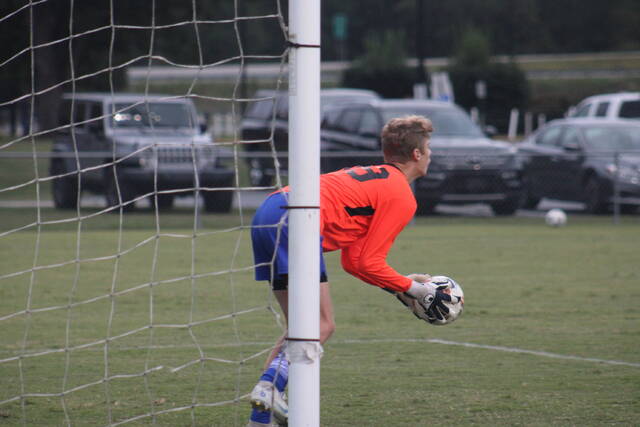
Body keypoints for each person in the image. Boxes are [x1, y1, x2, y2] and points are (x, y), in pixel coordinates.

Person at [247, 115, 454, 426]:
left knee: (300, 330)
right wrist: (418, 291)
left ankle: (259, 417)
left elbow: (356, 260)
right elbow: (366, 263)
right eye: (428, 148)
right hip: (297, 221)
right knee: (321, 324)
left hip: (268, 211)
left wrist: (400, 286)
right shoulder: (400, 193)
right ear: (416, 154)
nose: (431, 154)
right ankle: (269, 388)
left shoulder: (373, 176)